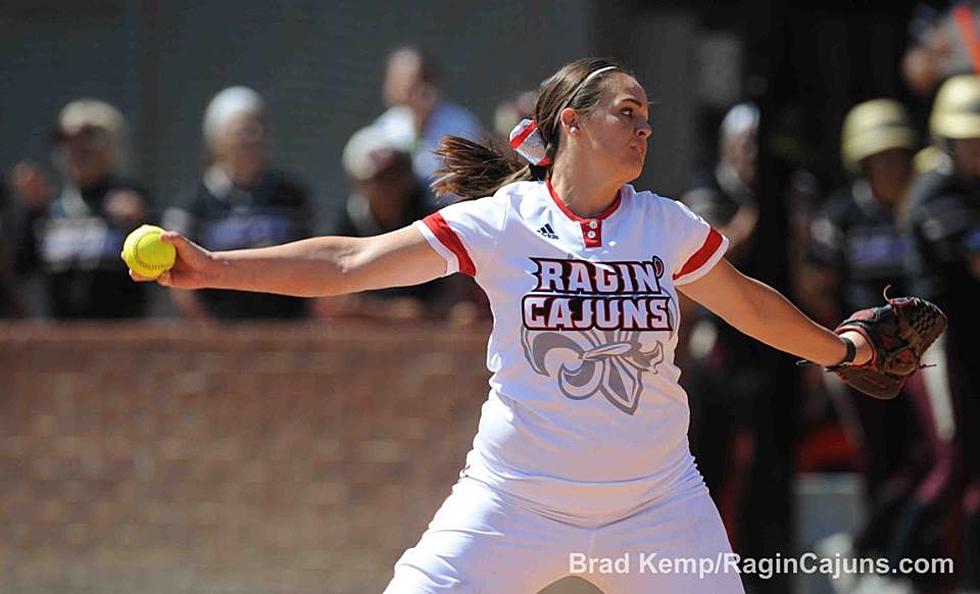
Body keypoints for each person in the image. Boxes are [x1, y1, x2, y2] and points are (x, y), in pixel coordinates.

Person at [130, 58, 880, 593]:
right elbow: (352, 261)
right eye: (628, 111)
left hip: (658, 503)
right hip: (514, 500)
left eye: (649, 117)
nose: (644, 128)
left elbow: (747, 302)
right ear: (571, 124)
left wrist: (841, 350)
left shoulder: (666, 224)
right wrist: (214, 266)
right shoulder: (501, 222)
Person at [905, 74, 980, 592]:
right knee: (952, 467)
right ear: (946, 141)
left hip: (973, 349)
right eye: (967, 139)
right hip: (940, 349)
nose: (976, 148)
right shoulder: (936, 192)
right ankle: (889, 564)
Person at [162, 86, 313, 320]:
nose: (250, 137)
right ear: (216, 138)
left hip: (282, 329)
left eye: (256, 127)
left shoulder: (291, 195)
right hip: (220, 333)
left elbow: (309, 262)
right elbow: (180, 284)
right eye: (239, 130)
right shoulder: (193, 203)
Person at [12, 99, 151, 319]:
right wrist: (30, 213)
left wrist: (140, 223)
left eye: (88, 142)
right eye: (68, 143)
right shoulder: (49, 210)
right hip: (62, 340)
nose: (76, 152)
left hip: (121, 338)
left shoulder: (133, 201)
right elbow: (20, 270)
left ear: (112, 146)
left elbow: (165, 271)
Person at [374, 46, 484, 193]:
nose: (418, 89)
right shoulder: (386, 128)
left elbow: (476, 177)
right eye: (407, 81)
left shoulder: (460, 124)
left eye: (421, 79)